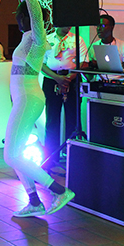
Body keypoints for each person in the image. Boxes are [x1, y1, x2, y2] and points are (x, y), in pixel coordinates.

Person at [3, 0, 74, 217]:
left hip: (28, 99)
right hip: (24, 99)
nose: (16, 18)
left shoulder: (37, 39)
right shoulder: (28, 38)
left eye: (19, 15)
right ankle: (34, 201)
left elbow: (33, 9)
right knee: (14, 153)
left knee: (11, 155)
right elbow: (28, 8)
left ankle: (58, 191)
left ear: (28, 19)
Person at [41, 24, 88, 168]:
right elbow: (41, 64)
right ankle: (51, 155)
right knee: (52, 119)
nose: (69, 26)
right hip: (52, 79)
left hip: (71, 79)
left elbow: (83, 62)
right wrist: (57, 78)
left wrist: (68, 78)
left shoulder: (77, 39)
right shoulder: (47, 39)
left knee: (73, 118)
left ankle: (71, 154)